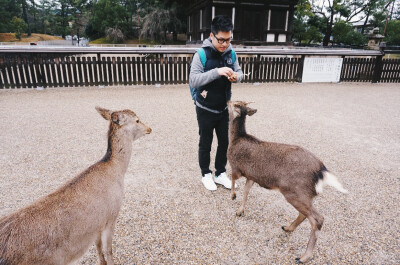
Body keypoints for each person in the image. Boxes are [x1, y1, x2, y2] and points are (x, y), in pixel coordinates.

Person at [189, 15, 243, 191]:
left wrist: (237, 77)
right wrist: (217, 71)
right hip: (204, 107)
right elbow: (194, 80)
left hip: (224, 107)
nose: (225, 44)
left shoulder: (231, 53)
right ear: (211, 36)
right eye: (221, 40)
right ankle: (206, 174)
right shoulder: (201, 54)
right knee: (206, 141)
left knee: (225, 142)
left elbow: (240, 73)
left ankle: (220, 173)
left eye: (228, 40)